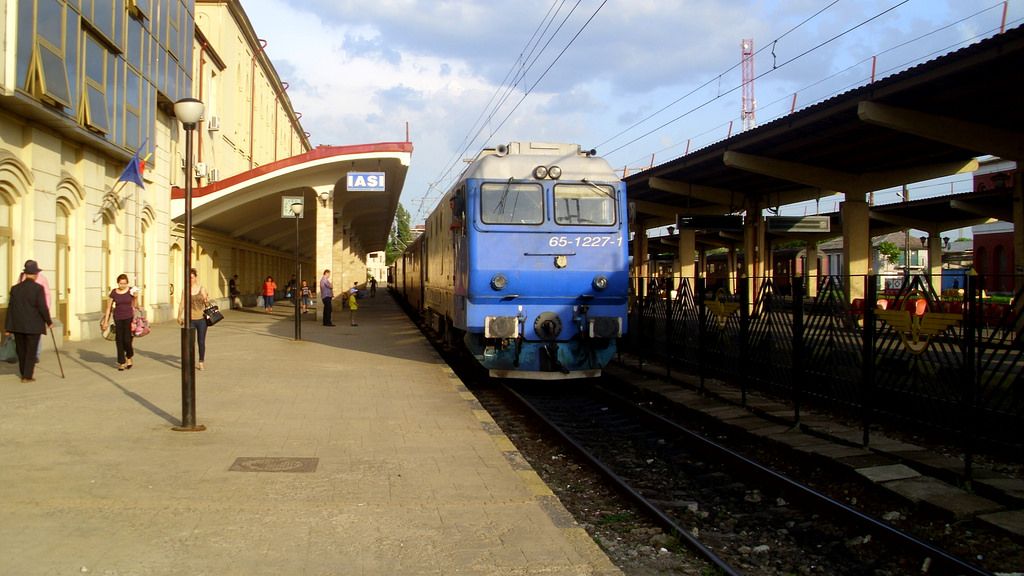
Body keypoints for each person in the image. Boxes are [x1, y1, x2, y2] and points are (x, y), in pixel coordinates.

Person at [5, 261, 53, 382]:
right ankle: (27, 376)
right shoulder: (38, 288)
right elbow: (42, 307)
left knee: (21, 350)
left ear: (25, 274)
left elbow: (10, 308)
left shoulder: (15, 289)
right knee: (31, 351)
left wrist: (8, 327)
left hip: (18, 325)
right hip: (33, 325)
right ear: (36, 274)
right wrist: (48, 321)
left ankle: (23, 373)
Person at [100, 273, 138, 371]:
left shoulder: (131, 290)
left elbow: (135, 304)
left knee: (127, 340)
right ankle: (121, 362)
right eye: (121, 284)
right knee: (119, 340)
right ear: (118, 283)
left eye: (124, 283)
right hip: (118, 317)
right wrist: (105, 321)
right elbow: (108, 307)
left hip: (129, 317)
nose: (123, 285)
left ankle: (129, 356)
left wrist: (136, 297)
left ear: (127, 283)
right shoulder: (114, 292)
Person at [177, 268, 210, 371]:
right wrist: (179, 316)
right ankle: (190, 361)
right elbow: (182, 303)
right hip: (190, 319)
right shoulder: (185, 290)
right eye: (188, 278)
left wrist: (206, 300)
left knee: (201, 341)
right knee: (190, 342)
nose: (190, 280)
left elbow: (207, 304)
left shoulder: (202, 289)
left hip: (201, 320)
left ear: (195, 278)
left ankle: (201, 361)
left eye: (192, 278)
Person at [18, 269, 52, 362]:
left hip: (37, 312)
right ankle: (28, 354)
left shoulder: (42, 279)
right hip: (25, 311)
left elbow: (47, 295)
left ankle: (35, 354)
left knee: (36, 334)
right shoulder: (22, 278)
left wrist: (46, 312)